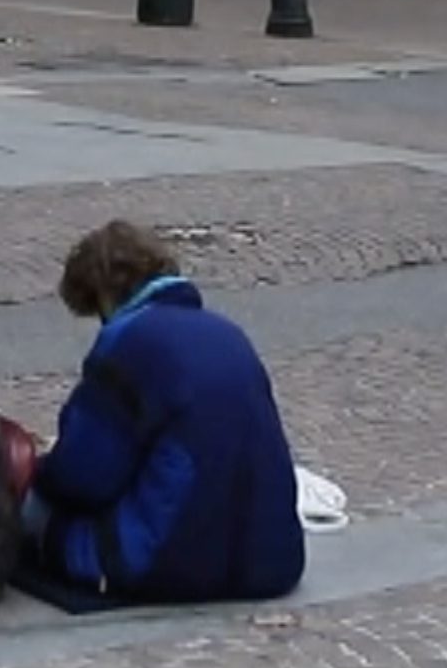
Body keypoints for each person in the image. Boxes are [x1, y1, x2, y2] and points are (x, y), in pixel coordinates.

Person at [24, 221, 306, 605]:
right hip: (274, 559)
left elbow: (82, 478)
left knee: (25, 509)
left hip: (171, 562)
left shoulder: (129, 341)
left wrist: (36, 469)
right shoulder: (227, 332)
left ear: (103, 294)